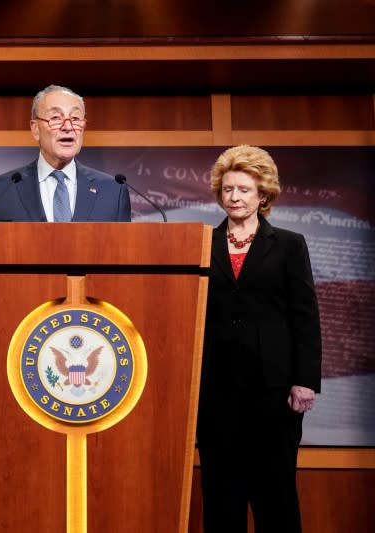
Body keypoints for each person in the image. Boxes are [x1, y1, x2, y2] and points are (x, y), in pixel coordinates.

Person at [197, 145, 322, 533]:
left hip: (274, 391)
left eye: (244, 190)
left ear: (263, 196)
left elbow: (305, 315)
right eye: (228, 189)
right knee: (221, 494)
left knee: (276, 494)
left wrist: (305, 380)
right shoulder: (202, 243)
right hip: (216, 391)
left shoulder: (288, 244)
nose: (234, 197)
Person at [0, 84, 131, 222]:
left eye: (75, 118)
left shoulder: (113, 191)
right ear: (35, 129)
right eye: (56, 118)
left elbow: (125, 251)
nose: (68, 127)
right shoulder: (0, 192)